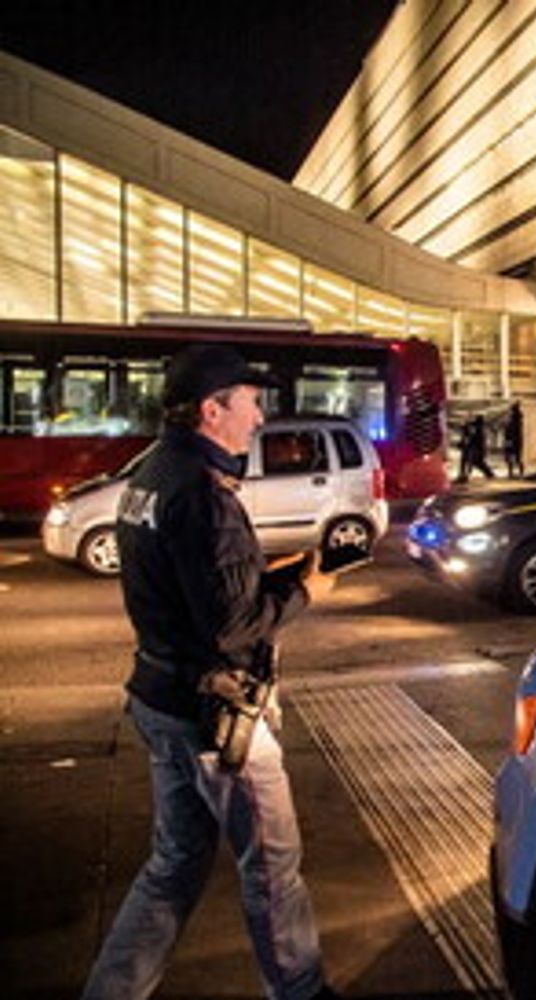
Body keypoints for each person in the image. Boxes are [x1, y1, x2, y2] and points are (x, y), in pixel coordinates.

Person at [82, 345, 340, 1000]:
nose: (260, 417)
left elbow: (192, 586)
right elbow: (231, 627)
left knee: (174, 865)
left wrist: (265, 576)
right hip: (214, 718)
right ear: (212, 409)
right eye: (251, 402)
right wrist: (306, 591)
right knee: (273, 869)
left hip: (161, 697)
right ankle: (301, 990)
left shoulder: (152, 473)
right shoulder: (203, 491)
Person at [457, 415, 494, 482]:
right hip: (475, 449)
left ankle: (466, 476)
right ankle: (489, 473)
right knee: (476, 462)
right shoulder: (479, 429)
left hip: (476, 449)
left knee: (473, 462)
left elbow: (474, 439)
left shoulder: (479, 431)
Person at [502, 400, 524, 477]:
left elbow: (510, 431)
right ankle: (519, 473)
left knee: (511, 458)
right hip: (516, 441)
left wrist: (509, 440)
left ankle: (512, 473)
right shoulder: (517, 420)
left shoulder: (513, 421)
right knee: (516, 458)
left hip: (512, 441)